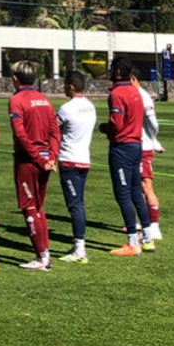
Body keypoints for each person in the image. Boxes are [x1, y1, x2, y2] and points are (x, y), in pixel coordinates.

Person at [99, 56, 154, 256]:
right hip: (136, 146)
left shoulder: (117, 93)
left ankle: (132, 241)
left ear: (118, 72)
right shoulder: (136, 92)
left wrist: (103, 128)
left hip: (121, 147)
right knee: (135, 192)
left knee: (123, 195)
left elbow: (117, 124)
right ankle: (148, 238)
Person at [8, 60, 61, 271]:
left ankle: (42, 258)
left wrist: (39, 159)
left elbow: (20, 134)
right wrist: (51, 157)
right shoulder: (45, 100)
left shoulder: (16, 100)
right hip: (45, 160)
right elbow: (55, 132)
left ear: (15, 79)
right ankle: (44, 254)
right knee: (38, 207)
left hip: (29, 162)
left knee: (29, 207)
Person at [56, 71, 97, 263]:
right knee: (79, 202)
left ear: (71, 86)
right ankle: (78, 246)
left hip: (69, 160)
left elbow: (53, 131)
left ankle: (80, 249)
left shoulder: (66, 109)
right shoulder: (91, 107)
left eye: (65, 84)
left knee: (75, 205)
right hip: (84, 159)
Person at [131, 70, 164, 241]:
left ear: (134, 79)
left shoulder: (143, 97)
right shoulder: (134, 95)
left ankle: (155, 227)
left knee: (146, 186)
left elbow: (153, 124)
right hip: (137, 146)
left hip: (144, 147)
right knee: (136, 187)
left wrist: (153, 140)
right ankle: (144, 220)